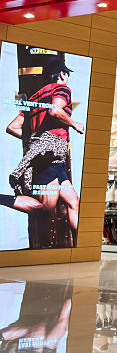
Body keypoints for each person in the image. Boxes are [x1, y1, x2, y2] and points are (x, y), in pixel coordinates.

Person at [1, 60, 84, 248]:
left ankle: (81, 245)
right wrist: (74, 124)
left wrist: (37, 142)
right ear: (62, 74)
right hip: (51, 156)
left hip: (49, 155)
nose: (67, 77)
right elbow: (55, 111)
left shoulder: (35, 97)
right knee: (44, 207)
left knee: (73, 201)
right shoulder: (62, 90)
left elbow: (12, 127)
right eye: (66, 73)